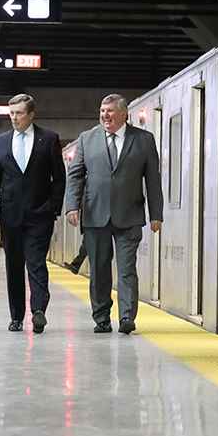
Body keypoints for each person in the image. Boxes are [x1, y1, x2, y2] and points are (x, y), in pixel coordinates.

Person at [66, 94, 163, 334]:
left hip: (129, 214)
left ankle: (127, 317)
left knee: (127, 267)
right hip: (94, 213)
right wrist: (71, 206)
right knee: (99, 269)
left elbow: (153, 180)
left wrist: (156, 214)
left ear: (124, 114)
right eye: (102, 111)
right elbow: (75, 175)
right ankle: (101, 318)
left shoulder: (144, 140)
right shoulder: (87, 139)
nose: (105, 115)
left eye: (110, 111)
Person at [0, 93, 66, 333]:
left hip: (40, 214)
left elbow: (59, 178)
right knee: (13, 266)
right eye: (11, 113)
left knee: (36, 262)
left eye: (19, 113)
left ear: (31, 115)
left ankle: (39, 310)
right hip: (10, 215)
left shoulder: (49, 139)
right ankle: (16, 317)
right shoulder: (0, 142)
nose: (14, 118)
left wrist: (52, 207)